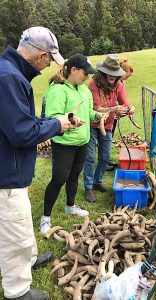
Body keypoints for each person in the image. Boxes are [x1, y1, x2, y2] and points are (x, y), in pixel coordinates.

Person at [0, 26, 77, 300]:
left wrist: (55, 123)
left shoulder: (10, 71)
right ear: (40, 56)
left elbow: (23, 121)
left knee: (19, 222)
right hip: (6, 176)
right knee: (14, 233)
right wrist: (57, 125)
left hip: (12, 170)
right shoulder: (9, 78)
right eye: (48, 60)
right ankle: (18, 291)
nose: (47, 67)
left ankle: (30, 257)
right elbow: (22, 133)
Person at [40, 54, 102, 234]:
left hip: (82, 141)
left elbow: (89, 112)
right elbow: (52, 117)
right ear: (73, 70)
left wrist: (97, 115)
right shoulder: (57, 90)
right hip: (64, 143)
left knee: (75, 176)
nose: (87, 77)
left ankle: (70, 206)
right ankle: (45, 218)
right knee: (59, 179)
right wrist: (71, 119)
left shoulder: (84, 90)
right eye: (85, 73)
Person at [83, 54, 135, 203]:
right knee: (90, 157)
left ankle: (97, 181)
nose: (112, 76)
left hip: (108, 125)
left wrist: (130, 109)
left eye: (115, 73)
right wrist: (113, 109)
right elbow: (96, 108)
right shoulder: (94, 84)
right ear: (103, 72)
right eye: (109, 72)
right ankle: (88, 187)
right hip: (93, 124)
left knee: (105, 157)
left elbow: (125, 103)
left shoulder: (119, 85)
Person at [107, 57, 134, 170]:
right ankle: (105, 162)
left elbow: (123, 98)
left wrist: (128, 108)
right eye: (127, 75)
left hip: (116, 113)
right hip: (110, 113)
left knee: (110, 136)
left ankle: (106, 160)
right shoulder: (115, 82)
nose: (127, 78)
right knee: (107, 137)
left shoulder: (121, 82)